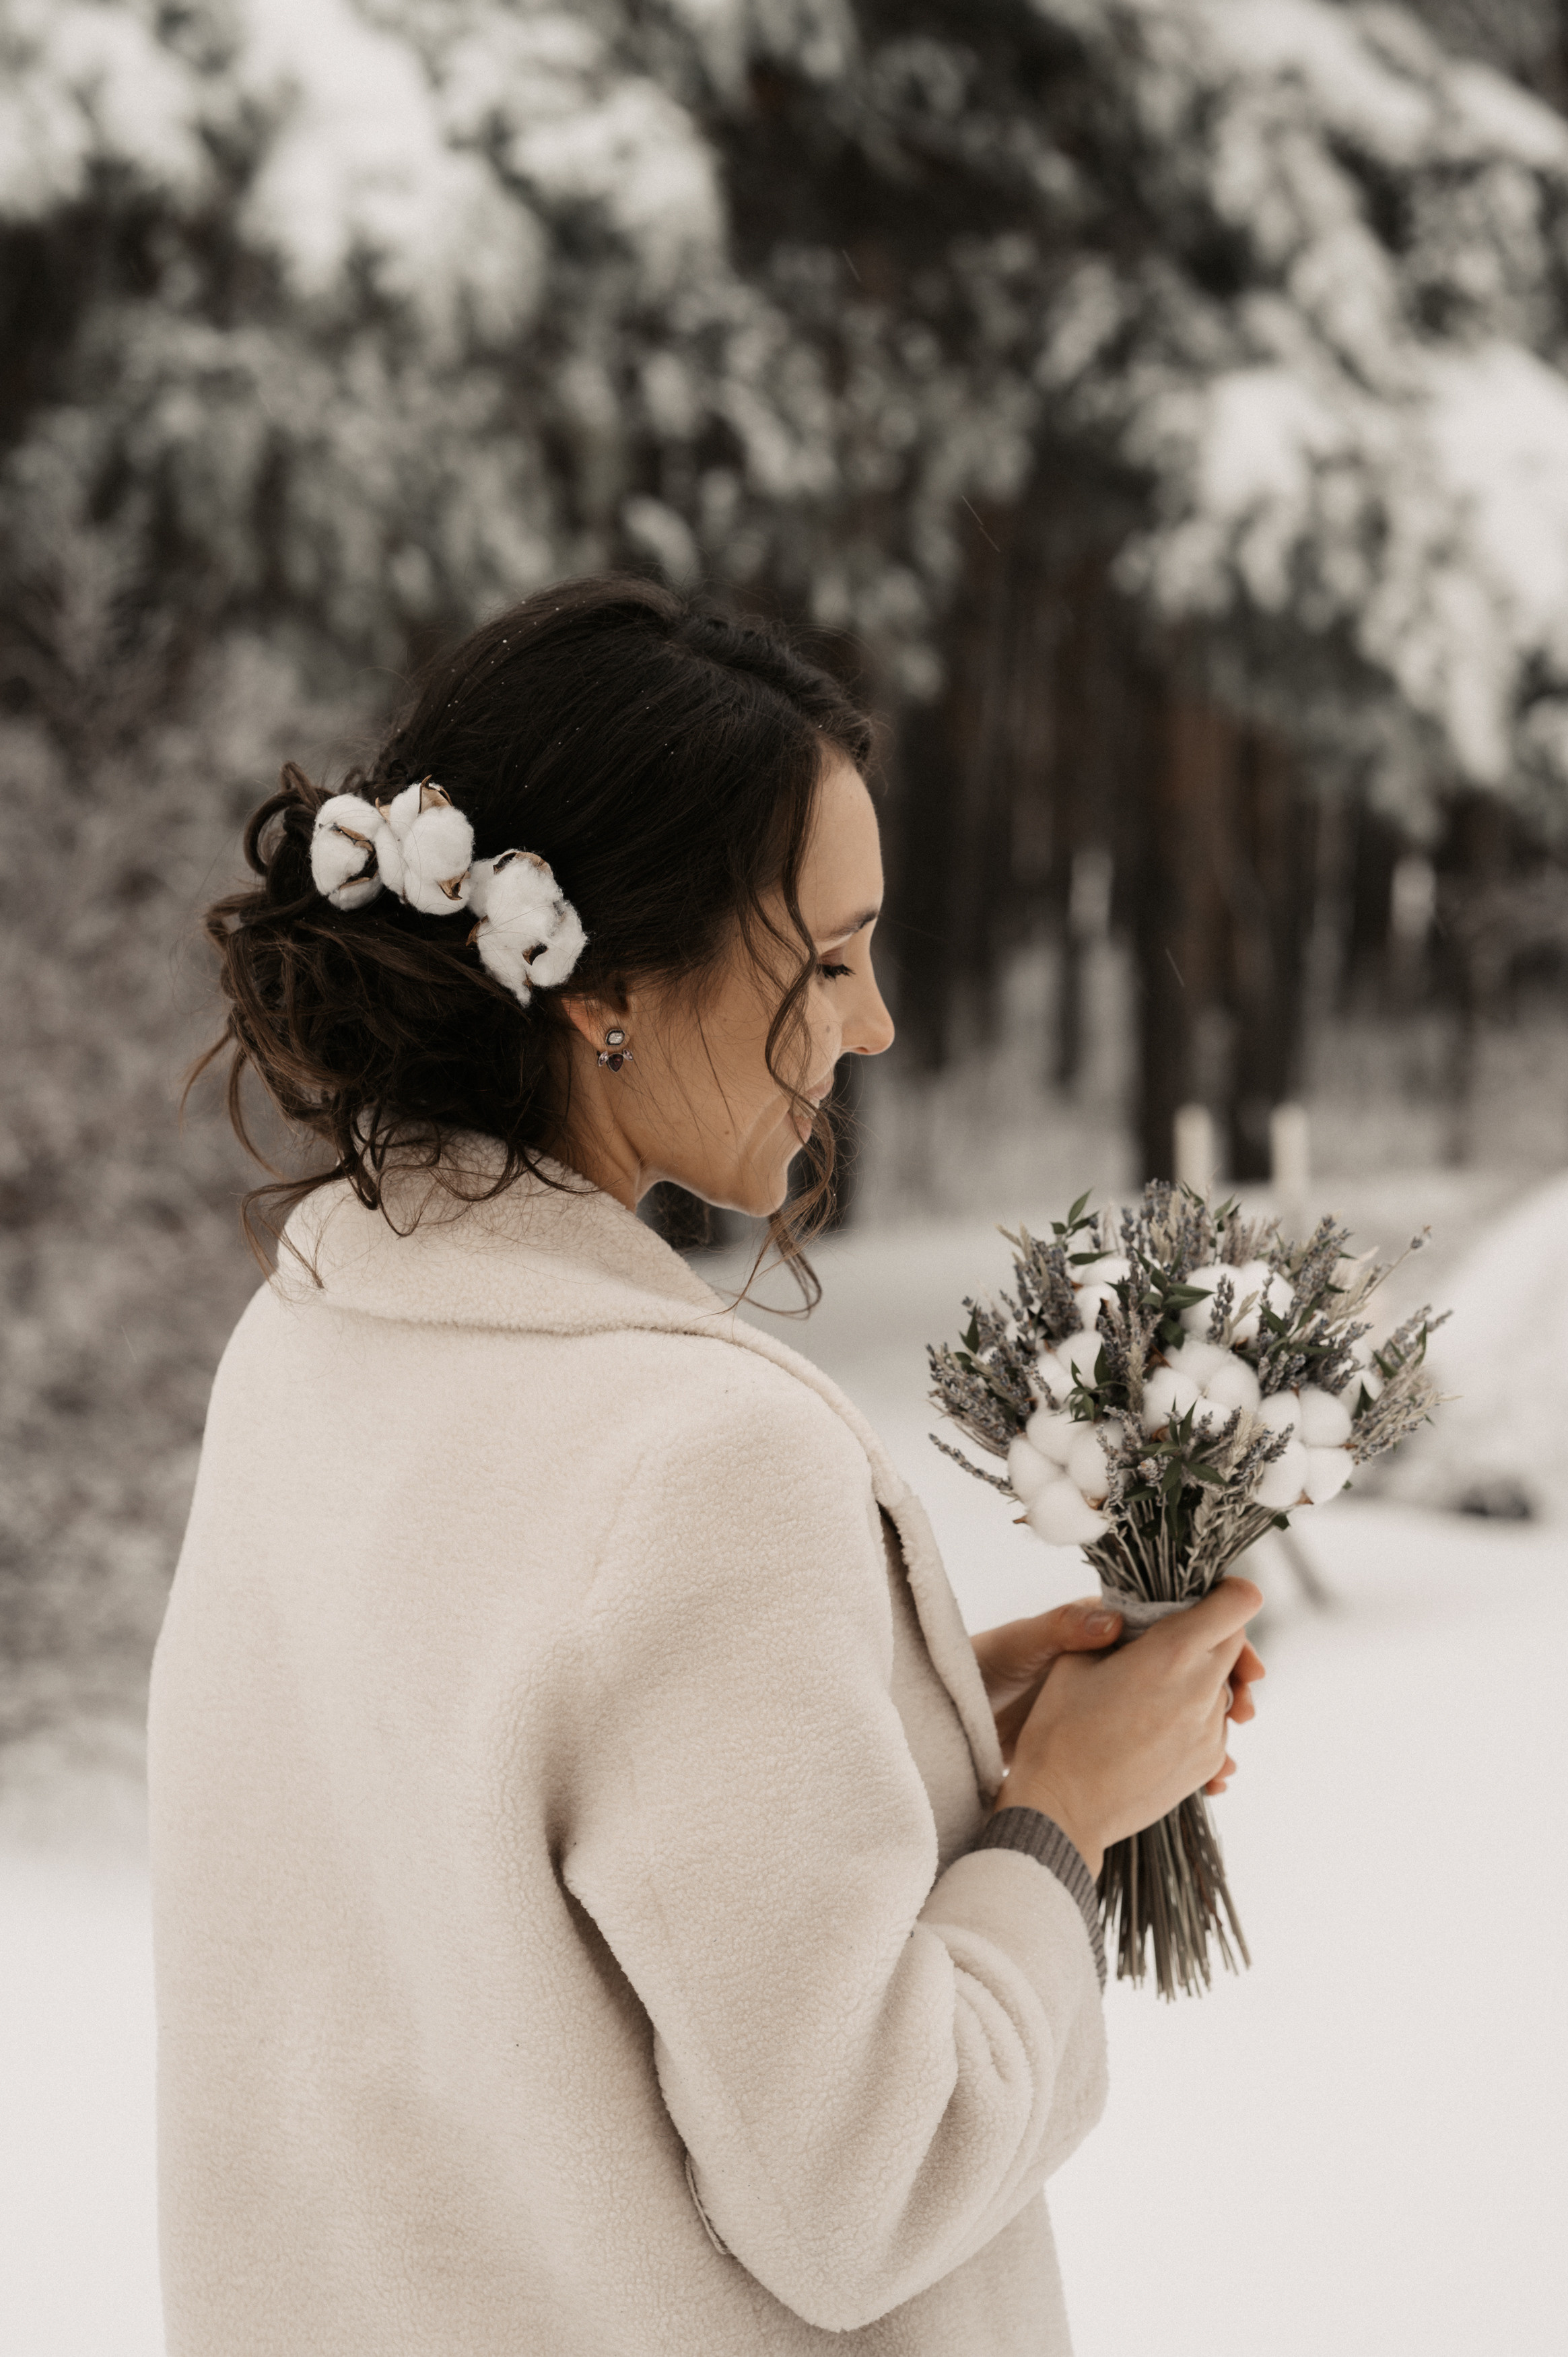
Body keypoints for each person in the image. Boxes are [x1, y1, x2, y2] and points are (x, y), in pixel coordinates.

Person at [149, 574, 1263, 2356]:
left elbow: (487, 1845)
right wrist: (1062, 1820)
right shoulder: (700, 1461)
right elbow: (869, 2181)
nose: (876, 1020)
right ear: (601, 983)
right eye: (825, 956)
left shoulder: (310, 1336)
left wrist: (907, 1719)